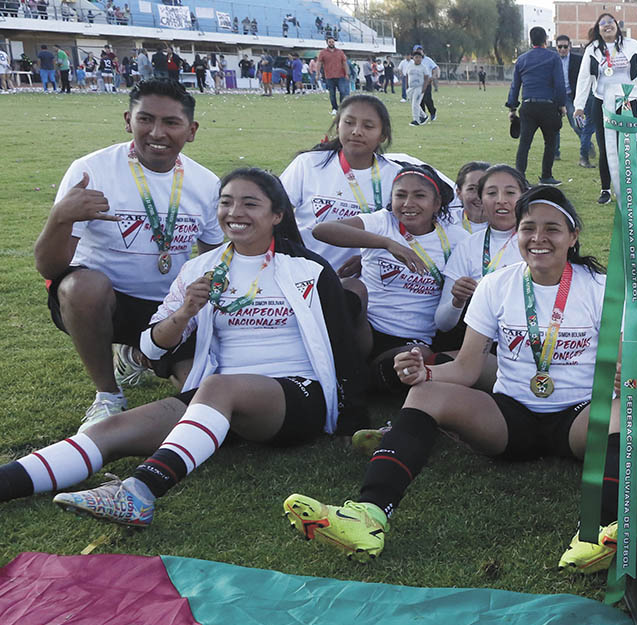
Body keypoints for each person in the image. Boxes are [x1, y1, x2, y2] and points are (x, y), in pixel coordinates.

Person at [282, 186, 620, 572]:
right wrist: (424, 371)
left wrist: (625, 374)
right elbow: (466, 369)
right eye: (529, 228)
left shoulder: (601, 288)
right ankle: (368, 515)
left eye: (553, 229)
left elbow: (624, 371)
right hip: (509, 418)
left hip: (576, 417)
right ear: (518, 233)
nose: (538, 239)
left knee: (618, 413)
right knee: (426, 394)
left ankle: (596, 533)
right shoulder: (497, 284)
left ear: (573, 236)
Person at [3, 168, 367, 526]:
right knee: (109, 431)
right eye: (226, 202)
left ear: (277, 215)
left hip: (296, 398)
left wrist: (351, 424)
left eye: (250, 204)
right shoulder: (201, 268)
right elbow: (152, 347)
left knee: (219, 386)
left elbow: (342, 348)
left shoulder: (308, 269)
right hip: (217, 403)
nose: (235, 212)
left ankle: (139, 494)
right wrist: (184, 313)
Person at [33, 80, 223, 429]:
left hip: (171, 309)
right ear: (127, 120)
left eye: (171, 123)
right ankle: (107, 395)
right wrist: (61, 217)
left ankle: (138, 354)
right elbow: (49, 267)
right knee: (81, 287)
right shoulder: (91, 171)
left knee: (196, 392)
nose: (156, 132)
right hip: (108, 302)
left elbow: (214, 261)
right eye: (145, 119)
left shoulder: (207, 184)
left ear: (191, 130)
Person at [312, 163, 457, 392]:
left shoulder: (454, 238)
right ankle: (348, 370)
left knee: (417, 359)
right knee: (351, 287)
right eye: (401, 195)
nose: (408, 203)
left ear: (436, 203)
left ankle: (356, 378)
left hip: (409, 339)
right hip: (364, 329)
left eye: (419, 196)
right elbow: (322, 229)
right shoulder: (382, 222)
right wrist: (387, 243)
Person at [282, 95, 400, 276]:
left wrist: (367, 259)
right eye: (349, 122)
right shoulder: (308, 164)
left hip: (363, 279)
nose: (356, 131)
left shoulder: (395, 176)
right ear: (338, 126)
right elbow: (276, 215)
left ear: (382, 135)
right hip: (302, 272)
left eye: (368, 126)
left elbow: (405, 230)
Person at [571, 12, 637, 205]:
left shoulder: (632, 45)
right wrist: (579, 106)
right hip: (602, 103)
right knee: (606, 148)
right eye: (602, 24)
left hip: (629, 102)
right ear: (598, 29)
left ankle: (633, 189)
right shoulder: (593, 49)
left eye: (610, 22)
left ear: (617, 26)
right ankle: (605, 189)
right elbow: (584, 78)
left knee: (630, 147)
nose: (607, 26)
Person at [436, 165, 531, 337]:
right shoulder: (468, 246)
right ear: (481, 199)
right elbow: (443, 323)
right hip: (477, 341)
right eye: (491, 193)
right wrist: (457, 301)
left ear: (523, 197)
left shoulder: (538, 242)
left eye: (510, 192)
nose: (501, 200)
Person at [508, 27, 567, 186]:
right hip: (548, 105)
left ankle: (520, 177)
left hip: (528, 106)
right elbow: (559, 83)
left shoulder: (522, 59)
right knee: (550, 142)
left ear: (531, 39)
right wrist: (562, 104)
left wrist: (512, 108)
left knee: (525, 143)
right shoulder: (553, 58)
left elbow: (515, 85)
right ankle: (546, 176)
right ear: (545, 39)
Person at [553, 35, 595, 169]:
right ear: (556, 47)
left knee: (576, 123)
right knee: (554, 125)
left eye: (565, 46)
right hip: (556, 95)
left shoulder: (578, 59)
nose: (563, 49)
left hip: (573, 95)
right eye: (560, 47)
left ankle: (587, 145)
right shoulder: (552, 60)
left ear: (570, 47)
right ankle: (555, 152)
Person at [318, 36, 350, 115]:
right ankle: (334, 108)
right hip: (329, 76)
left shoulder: (340, 52)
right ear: (327, 42)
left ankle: (342, 108)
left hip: (340, 76)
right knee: (332, 93)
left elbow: (344, 63)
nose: (331, 43)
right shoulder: (323, 53)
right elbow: (319, 63)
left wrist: (347, 73)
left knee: (343, 91)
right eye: (330, 42)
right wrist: (317, 73)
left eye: (332, 42)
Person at [404, 50, 431, 126]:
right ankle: (424, 116)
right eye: (416, 57)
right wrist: (406, 87)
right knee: (414, 103)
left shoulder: (423, 68)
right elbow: (407, 76)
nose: (418, 59)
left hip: (419, 87)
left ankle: (416, 120)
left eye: (420, 57)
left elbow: (426, 78)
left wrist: (424, 88)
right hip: (411, 88)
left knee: (415, 104)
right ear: (413, 58)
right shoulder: (410, 66)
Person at [416, 49, 439, 123]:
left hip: (427, 82)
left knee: (427, 99)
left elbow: (434, 68)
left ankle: (433, 112)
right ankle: (423, 116)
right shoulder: (414, 61)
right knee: (420, 100)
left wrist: (433, 76)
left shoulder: (428, 60)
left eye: (420, 51)